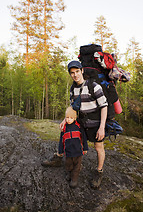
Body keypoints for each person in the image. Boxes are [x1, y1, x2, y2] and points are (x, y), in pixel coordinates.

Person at [42, 60, 108, 189]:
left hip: (95, 123)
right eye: (72, 73)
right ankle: (59, 157)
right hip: (80, 122)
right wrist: (64, 119)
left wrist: (102, 127)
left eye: (77, 71)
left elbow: (104, 106)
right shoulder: (73, 88)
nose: (75, 75)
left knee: (98, 146)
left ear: (82, 71)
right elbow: (73, 106)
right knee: (66, 133)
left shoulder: (94, 86)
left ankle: (99, 172)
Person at [58, 106, 88, 188]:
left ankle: (74, 179)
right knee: (68, 164)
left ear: (75, 118)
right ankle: (69, 173)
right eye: (67, 117)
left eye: (71, 118)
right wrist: (60, 150)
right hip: (68, 152)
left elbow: (84, 138)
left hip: (78, 151)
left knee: (77, 166)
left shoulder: (78, 126)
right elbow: (61, 140)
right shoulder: (64, 128)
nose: (68, 119)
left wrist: (85, 148)